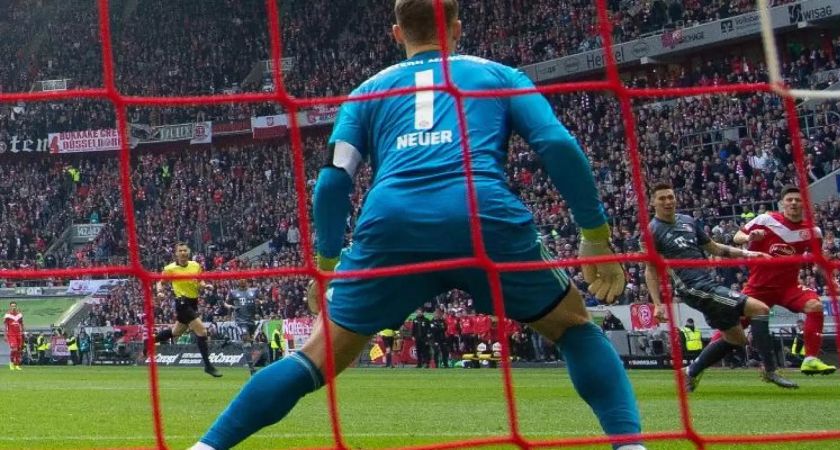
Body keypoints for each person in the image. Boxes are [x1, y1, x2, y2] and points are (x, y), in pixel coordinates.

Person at [190, 1, 642, 449]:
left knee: (318, 355)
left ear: (396, 33)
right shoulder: (498, 75)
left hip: (392, 225)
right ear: (457, 28)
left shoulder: (367, 92)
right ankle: (631, 445)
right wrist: (594, 234)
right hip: (482, 216)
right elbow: (557, 144)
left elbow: (331, 182)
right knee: (573, 326)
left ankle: (207, 447)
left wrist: (327, 262)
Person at [644, 182, 798, 392]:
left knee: (737, 339)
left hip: (707, 283)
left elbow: (715, 248)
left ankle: (689, 373)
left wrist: (749, 254)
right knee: (760, 309)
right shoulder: (652, 231)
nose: (668, 201)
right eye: (662, 198)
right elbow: (650, 270)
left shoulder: (688, 221)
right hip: (693, 287)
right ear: (653, 202)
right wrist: (657, 304)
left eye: (670, 197)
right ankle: (771, 370)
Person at [732, 186, 836, 375]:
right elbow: (737, 237)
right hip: (759, 287)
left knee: (814, 306)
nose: (794, 203)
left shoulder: (813, 231)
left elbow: (819, 259)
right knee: (733, 326)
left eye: (798, 200)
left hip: (788, 287)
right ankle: (697, 366)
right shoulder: (766, 219)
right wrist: (749, 236)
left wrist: (831, 280)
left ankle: (811, 359)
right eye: (790, 200)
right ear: (782, 204)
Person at [152, 242, 221, 377]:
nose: (183, 253)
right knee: (202, 331)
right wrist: (160, 292)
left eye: (185, 250)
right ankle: (208, 366)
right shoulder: (170, 268)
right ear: (176, 253)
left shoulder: (195, 266)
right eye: (180, 251)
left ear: (188, 252)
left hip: (193, 302)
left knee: (176, 332)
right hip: (181, 302)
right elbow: (160, 282)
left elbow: (199, 280)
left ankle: (150, 341)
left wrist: (205, 285)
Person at [223, 279, 260, 375]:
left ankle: (230, 343)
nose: (242, 281)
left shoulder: (254, 291)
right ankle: (252, 369)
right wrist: (231, 307)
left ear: (247, 282)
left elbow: (263, 299)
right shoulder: (233, 293)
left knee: (249, 344)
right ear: (238, 282)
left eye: (244, 279)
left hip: (251, 321)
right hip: (240, 321)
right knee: (246, 340)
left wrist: (260, 302)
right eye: (240, 280)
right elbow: (225, 303)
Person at [4, 302, 24, 370]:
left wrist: (22, 332)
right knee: (14, 349)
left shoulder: (19, 315)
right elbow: (5, 325)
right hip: (11, 334)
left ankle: (17, 364)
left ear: (16, 306)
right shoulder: (7, 315)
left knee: (19, 349)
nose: (14, 307)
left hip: (18, 334)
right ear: (10, 307)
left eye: (15, 306)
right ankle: (11, 362)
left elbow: (21, 324)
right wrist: (5, 335)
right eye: (12, 306)